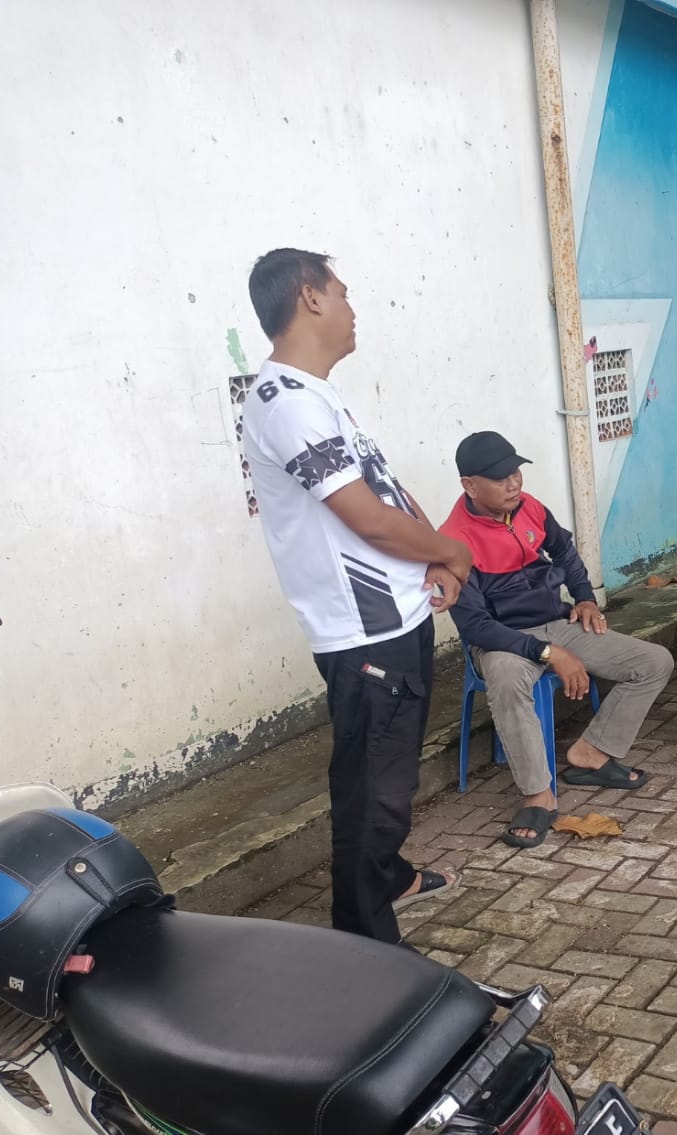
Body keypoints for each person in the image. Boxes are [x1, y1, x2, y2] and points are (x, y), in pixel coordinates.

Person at [242, 248, 473, 942]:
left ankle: (390, 876)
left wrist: (435, 555)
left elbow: (384, 488)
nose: (352, 308)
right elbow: (366, 519)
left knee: (389, 780)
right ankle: (366, 943)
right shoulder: (285, 404)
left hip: (399, 613)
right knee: (372, 792)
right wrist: (451, 550)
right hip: (365, 632)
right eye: (343, 293)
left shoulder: (318, 394)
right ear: (310, 297)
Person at [439, 431, 674, 848]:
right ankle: (538, 796)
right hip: (501, 640)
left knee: (654, 661)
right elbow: (475, 625)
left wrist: (584, 598)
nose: (513, 483)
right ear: (469, 485)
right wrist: (548, 653)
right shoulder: (455, 539)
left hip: (556, 622)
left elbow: (565, 552)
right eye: (500, 478)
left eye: (515, 472)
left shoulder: (530, 508)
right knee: (508, 679)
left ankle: (592, 753)